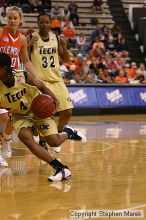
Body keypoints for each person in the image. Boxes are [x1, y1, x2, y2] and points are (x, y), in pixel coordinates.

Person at [0, 52, 87, 181]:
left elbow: (40, 85)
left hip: (38, 109)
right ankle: (61, 169)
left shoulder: (21, 76)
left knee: (54, 142)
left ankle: (69, 133)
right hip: (19, 115)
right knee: (26, 138)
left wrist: (54, 99)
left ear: (4, 69)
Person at [0, 6, 43, 166]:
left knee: (13, 115)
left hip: (16, 79)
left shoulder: (22, 39)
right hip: (0, 78)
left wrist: (37, 78)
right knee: (2, 116)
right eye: (9, 17)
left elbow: (25, 61)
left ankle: (6, 139)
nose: (12, 20)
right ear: (6, 19)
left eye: (15, 18)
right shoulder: (0, 32)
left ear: (20, 20)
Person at [27, 13, 73, 152]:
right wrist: (30, 44)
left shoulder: (56, 37)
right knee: (45, 112)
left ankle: (57, 134)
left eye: (47, 22)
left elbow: (66, 60)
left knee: (68, 111)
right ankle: (42, 139)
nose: (44, 25)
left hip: (56, 79)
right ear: (38, 23)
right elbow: (23, 55)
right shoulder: (32, 37)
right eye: (42, 22)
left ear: (50, 23)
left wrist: (64, 47)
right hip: (41, 81)